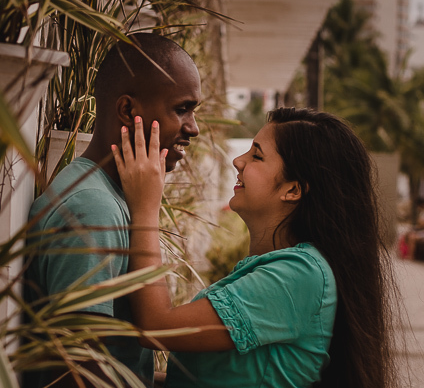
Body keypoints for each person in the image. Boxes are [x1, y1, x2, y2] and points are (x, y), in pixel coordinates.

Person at [113, 107, 394, 388]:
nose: (238, 161)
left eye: (257, 155)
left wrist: (146, 208)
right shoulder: (285, 269)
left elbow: (156, 326)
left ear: (293, 190)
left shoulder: (299, 275)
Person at [23, 33, 202, 387]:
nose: (193, 128)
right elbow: (77, 373)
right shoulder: (92, 210)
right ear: (127, 110)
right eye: (182, 109)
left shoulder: (106, 196)